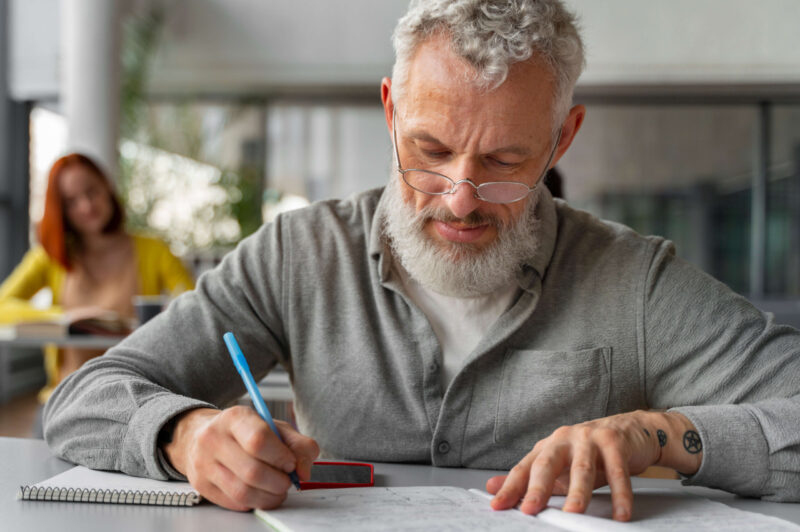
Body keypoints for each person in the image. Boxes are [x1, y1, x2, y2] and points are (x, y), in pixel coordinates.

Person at [44, 0, 799, 521]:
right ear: (390, 110)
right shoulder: (298, 254)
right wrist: (185, 437)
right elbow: (84, 399)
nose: (461, 198)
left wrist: (661, 437)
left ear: (562, 140)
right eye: (429, 152)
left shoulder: (634, 281)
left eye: (505, 160)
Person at [0, 153, 194, 435]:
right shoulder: (50, 256)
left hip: (139, 398)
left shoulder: (154, 250)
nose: (87, 206)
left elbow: (194, 305)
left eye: (92, 192)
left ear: (107, 188)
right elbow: (3, 306)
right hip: (67, 397)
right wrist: (65, 317)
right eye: (72, 201)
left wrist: (169, 313)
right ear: (61, 209)